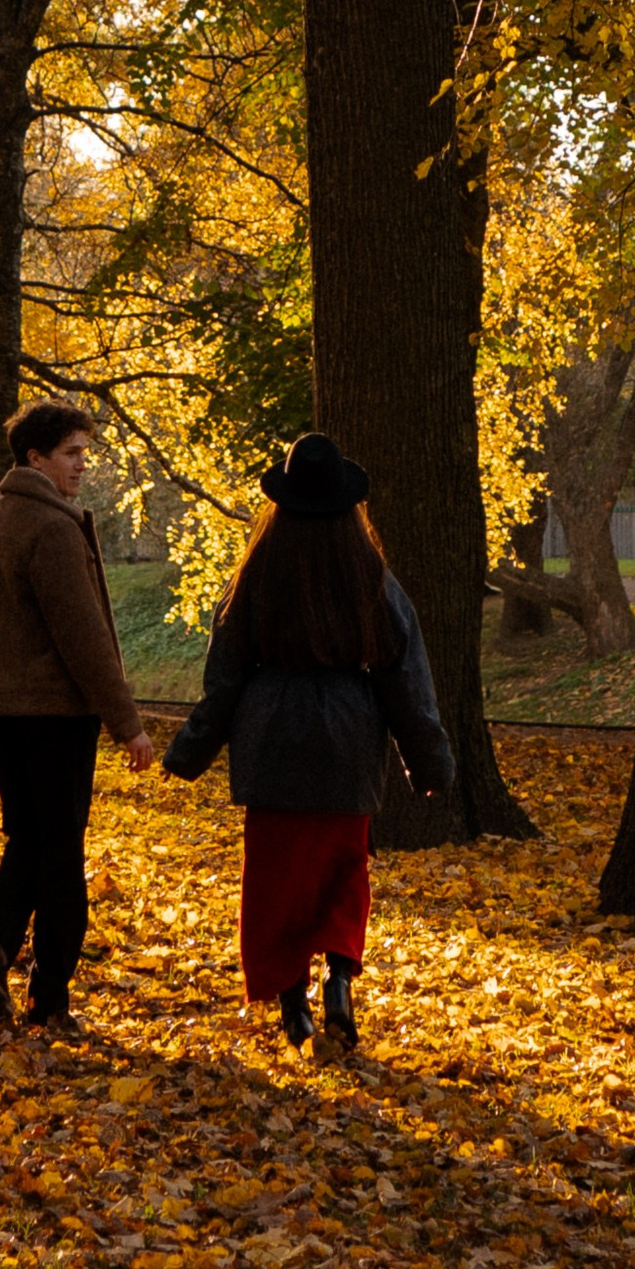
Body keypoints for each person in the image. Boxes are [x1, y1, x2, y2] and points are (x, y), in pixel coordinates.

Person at [159, 432, 453, 1053]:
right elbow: (406, 676)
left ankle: (294, 1007)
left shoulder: (256, 574)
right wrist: (429, 761)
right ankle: (339, 979)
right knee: (344, 871)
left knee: (277, 881)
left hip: (271, 740)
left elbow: (225, 677)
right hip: (348, 738)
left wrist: (189, 752)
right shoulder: (371, 576)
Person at [0, 401, 156, 1038]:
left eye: (83, 453)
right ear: (36, 457)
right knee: (61, 853)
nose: (81, 465)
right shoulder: (51, 530)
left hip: (3, 713)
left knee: (30, 838)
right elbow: (85, 638)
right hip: (54, 716)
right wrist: (126, 722)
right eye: (71, 453)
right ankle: (48, 997)